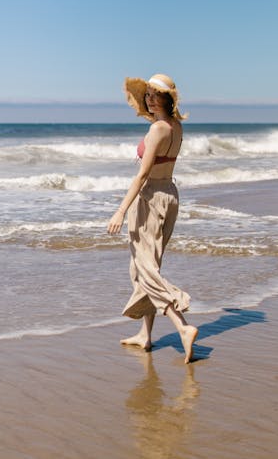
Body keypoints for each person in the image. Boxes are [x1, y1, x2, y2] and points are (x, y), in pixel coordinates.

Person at [107, 73, 198, 364]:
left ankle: (182, 326)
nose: (149, 98)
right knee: (145, 266)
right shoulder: (176, 126)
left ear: (167, 98)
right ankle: (145, 336)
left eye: (155, 94)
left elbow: (143, 174)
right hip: (169, 195)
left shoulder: (158, 129)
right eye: (147, 93)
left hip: (150, 198)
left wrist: (121, 210)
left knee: (145, 269)